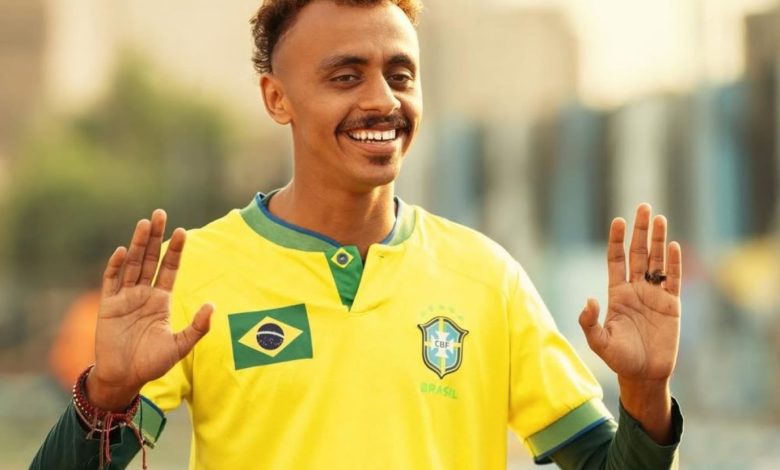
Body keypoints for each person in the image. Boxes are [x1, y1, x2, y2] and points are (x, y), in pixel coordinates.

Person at [31, 0, 683, 468]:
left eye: (400, 75)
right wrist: (107, 396)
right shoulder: (197, 271)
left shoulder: (487, 277)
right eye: (346, 76)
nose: (382, 100)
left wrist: (645, 394)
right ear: (277, 98)